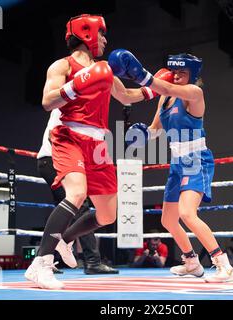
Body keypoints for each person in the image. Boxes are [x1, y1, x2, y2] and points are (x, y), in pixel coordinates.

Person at [25, 14, 155, 289]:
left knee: (108, 215)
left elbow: (126, 96)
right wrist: (78, 83)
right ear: (87, 33)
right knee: (76, 193)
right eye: (103, 34)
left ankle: (66, 239)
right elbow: (48, 101)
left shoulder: (105, 69)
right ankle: (41, 262)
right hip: (68, 134)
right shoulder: (61, 65)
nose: (106, 40)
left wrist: (153, 89)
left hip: (98, 143)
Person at [108, 50, 233, 282]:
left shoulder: (194, 93)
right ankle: (192, 262)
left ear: (193, 74)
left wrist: (141, 75)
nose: (176, 76)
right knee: (168, 220)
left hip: (196, 159)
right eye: (174, 71)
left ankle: (223, 265)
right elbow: (157, 128)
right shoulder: (164, 98)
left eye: (182, 72)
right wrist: (144, 135)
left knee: (187, 213)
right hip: (177, 162)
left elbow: (165, 87)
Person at [36, 108, 118, 275]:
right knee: (78, 205)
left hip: (58, 160)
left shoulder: (88, 111)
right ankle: (92, 261)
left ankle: (48, 255)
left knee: (70, 210)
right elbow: (56, 136)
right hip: (53, 159)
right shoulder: (69, 106)